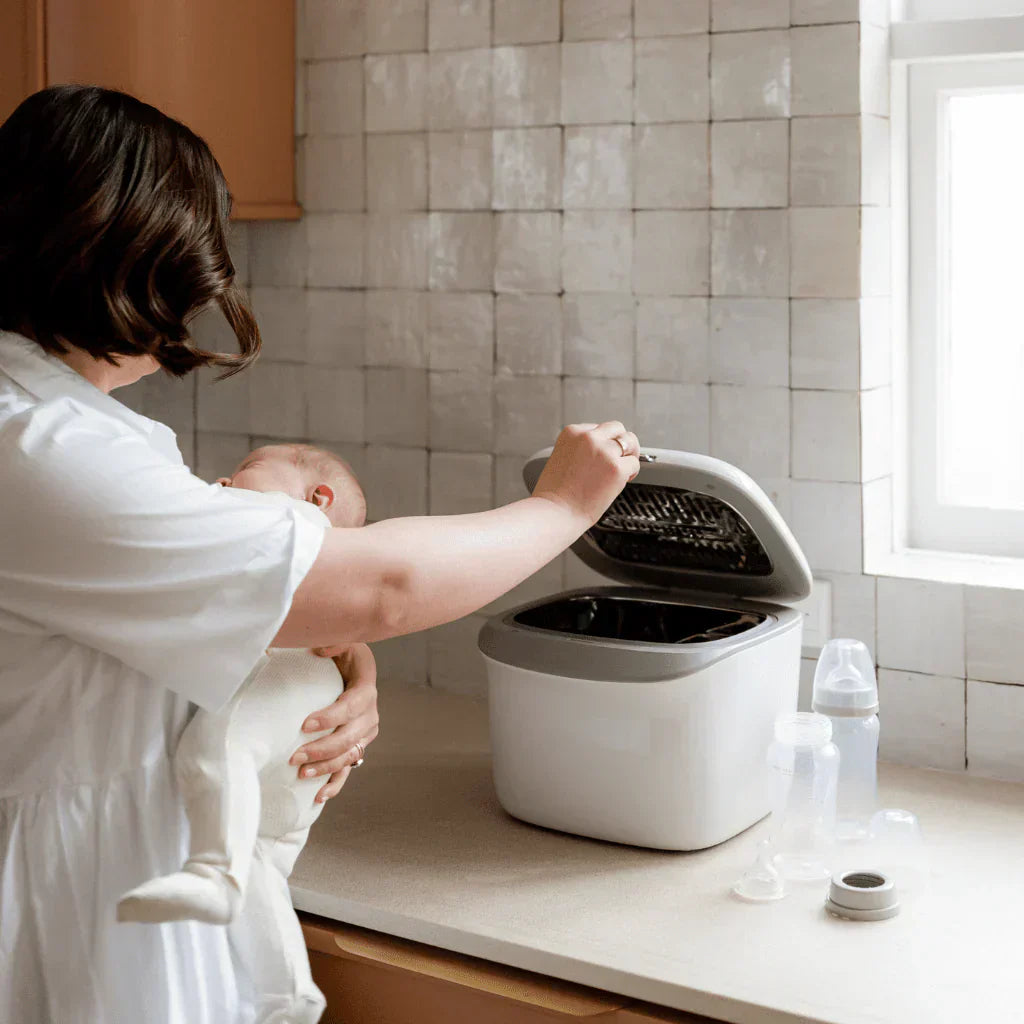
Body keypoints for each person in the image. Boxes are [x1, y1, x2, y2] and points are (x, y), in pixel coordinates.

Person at [0, 84, 640, 1024]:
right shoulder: (41, 452)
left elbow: (225, 615)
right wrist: (564, 506)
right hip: (74, 903)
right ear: (114, 257)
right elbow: (383, 584)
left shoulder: (60, 434)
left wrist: (342, 661)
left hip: (117, 869)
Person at [118, 444, 369, 1024]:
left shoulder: (295, 521)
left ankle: (212, 869)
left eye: (250, 469)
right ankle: (285, 992)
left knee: (212, 754)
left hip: (285, 687)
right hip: (296, 717)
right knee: (261, 860)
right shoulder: (297, 533)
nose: (227, 478)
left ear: (318, 497)